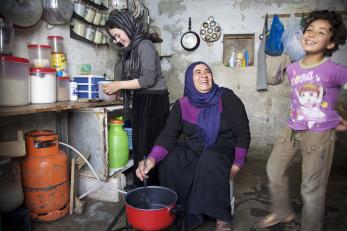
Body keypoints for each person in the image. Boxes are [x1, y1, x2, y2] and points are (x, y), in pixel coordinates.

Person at [258, 10, 347, 231]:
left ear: (331, 43)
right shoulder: (293, 68)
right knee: (274, 169)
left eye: (321, 32)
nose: (312, 34)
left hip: (318, 135)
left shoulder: (335, 70)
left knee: (311, 188)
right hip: (291, 128)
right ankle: (282, 212)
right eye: (309, 30)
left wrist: (338, 116)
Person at [136, 61, 251, 230]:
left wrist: (238, 163)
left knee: (210, 159)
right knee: (171, 160)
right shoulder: (181, 105)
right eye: (197, 72)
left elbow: (243, 132)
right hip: (195, 147)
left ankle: (221, 216)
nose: (204, 75)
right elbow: (168, 135)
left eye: (207, 71)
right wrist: (152, 158)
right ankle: (180, 210)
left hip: (223, 147)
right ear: (189, 79)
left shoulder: (227, 98)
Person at [103, 10, 170, 186]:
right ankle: (143, 186)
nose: (117, 40)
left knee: (149, 145)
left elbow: (148, 80)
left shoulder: (145, 45)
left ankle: (152, 187)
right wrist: (117, 86)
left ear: (127, 27)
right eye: (114, 37)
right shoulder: (130, 51)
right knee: (140, 144)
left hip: (153, 100)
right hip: (142, 98)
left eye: (117, 35)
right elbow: (131, 79)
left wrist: (119, 85)